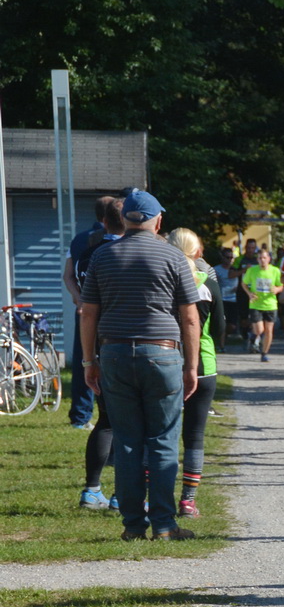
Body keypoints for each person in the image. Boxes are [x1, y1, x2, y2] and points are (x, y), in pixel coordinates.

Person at [78, 189, 201, 542]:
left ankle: (133, 525)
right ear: (157, 221)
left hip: (114, 353)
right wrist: (191, 367)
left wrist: (88, 361)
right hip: (162, 353)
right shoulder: (174, 257)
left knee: (127, 441)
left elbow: (88, 313)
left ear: (124, 219)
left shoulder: (102, 256)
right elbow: (190, 318)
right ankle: (164, 524)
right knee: (163, 440)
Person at [166, 228, 221, 518]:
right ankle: (188, 500)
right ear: (198, 252)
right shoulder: (208, 283)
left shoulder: (163, 279)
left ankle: (155, 496)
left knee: (161, 433)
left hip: (167, 361)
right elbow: (220, 327)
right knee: (195, 435)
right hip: (203, 365)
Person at [62, 196, 120, 430]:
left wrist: (78, 297)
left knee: (84, 360)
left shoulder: (78, 239)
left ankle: (81, 414)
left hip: (84, 308)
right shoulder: (111, 241)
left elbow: (68, 275)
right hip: (107, 310)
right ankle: (109, 411)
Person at [242, 246, 282, 362]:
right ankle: (253, 336)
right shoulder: (252, 270)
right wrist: (249, 294)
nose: (262, 260)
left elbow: (281, 285)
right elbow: (244, 284)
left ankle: (264, 353)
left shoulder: (275, 271)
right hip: (256, 304)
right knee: (259, 330)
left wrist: (277, 289)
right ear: (257, 259)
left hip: (270, 304)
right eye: (260, 258)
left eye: (264, 258)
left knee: (269, 330)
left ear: (269, 259)